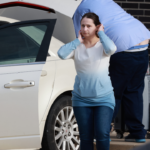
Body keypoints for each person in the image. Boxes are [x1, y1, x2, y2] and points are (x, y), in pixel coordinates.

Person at [73, 0, 150, 142]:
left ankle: (101, 131)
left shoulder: (81, 11)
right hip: (142, 43)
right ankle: (138, 133)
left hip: (123, 48)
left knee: (111, 92)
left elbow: (84, 40)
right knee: (134, 91)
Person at [58, 12, 117, 150]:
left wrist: (101, 33)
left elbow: (112, 49)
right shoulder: (76, 46)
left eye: (89, 26)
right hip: (81, 99)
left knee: (102, 134)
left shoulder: (103, 45)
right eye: (83, 26)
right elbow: (61, 54)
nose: (85, 29)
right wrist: (77, 40)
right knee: (85, 137)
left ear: (97, 27)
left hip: (104, 98)